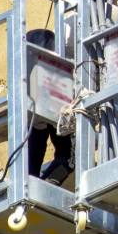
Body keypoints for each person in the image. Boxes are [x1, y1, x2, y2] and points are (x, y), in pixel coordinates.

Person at [27, 30, 74, 186]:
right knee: (67, 157)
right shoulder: (57, 69)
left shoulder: (26, 73)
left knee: (30, 165)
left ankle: (35, 185)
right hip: (55, 106)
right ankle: (39, 184)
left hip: (40, 110)